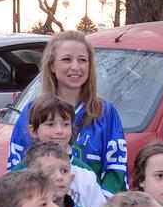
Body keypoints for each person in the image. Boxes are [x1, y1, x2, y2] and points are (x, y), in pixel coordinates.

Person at [7, 31, 127, 194]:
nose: (76, 67)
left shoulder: (105, 113)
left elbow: (116, 169)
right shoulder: (32, 111)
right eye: (66, 59)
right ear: (51, 66)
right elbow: (17, 169)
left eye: (82, 60)